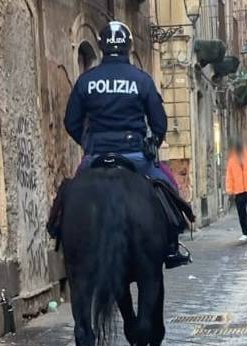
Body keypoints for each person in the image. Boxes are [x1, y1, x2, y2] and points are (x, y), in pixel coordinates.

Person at [64, 21, 190, 268]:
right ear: (128, 47)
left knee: (68, 197)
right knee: (168, 184)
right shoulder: (141, 80)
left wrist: (88, 142)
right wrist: (153, 142)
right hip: (135, 156)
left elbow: (71, 121)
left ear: (101, 47)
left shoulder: (86, 80)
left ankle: (59, 235)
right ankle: (173, 246)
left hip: (96, 156)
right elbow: (159, 123)